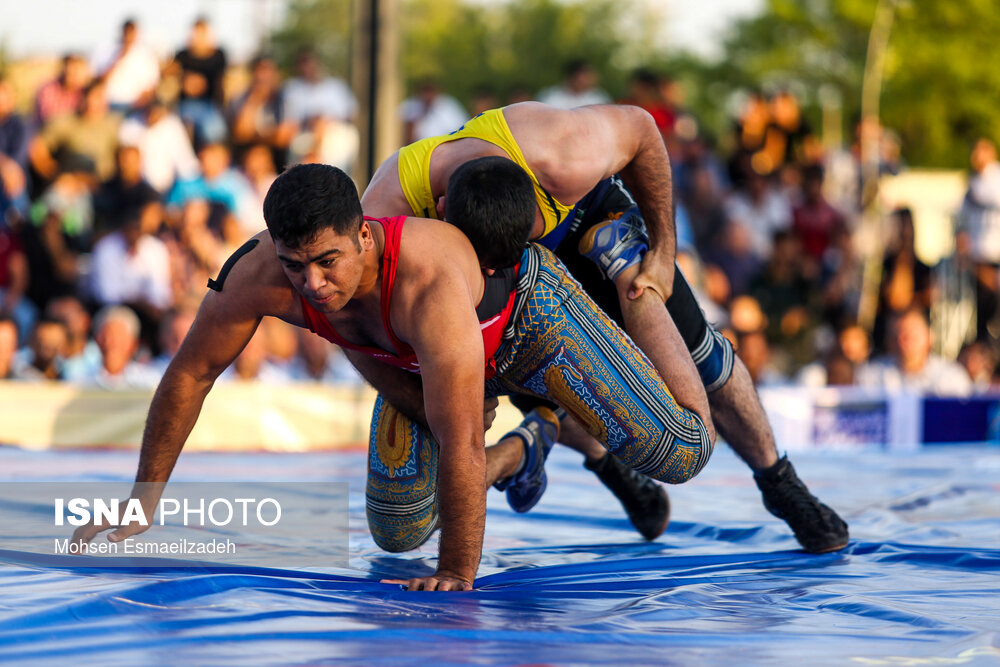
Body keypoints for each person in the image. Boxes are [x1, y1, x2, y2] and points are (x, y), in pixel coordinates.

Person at [72, 163, 715, 591]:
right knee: (401, 530)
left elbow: (460, 440)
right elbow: (191, 374)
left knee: (683, 451)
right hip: (414, 361)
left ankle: (642, 293)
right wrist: (142, 501)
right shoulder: (259, 274)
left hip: (527, 323)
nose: (313, 285)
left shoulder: (425, 283)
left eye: (327, 261)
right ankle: (532, 444)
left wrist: (457, 575)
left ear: (363, 236)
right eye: (296, 265)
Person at [361, 102, 849, 553]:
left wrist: (662, 247)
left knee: (698, 357)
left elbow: (641, 129)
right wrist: (416, 391)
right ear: (440, 213)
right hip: (486, 286)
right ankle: (567, 446)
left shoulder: (559, 153)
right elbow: (349, 318)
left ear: (538, 201)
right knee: (516, 383)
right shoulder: (388, 212)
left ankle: (780, 482)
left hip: (591, 230)